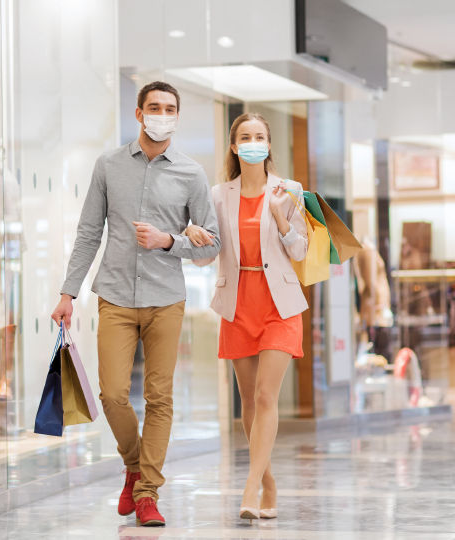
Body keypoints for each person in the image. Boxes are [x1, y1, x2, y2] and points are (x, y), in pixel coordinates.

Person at [51, 81, 221, 527]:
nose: (162, 114)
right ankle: (133, 465)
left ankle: (147, 493)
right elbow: (90, 231)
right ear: (139, 113)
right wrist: (68, 292)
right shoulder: (108, 165)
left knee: (160, 398)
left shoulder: (191, 173)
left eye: (170, 109)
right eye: (155, 107)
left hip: (166, 299)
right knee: (111, 393)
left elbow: (210, 246)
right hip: (116, 297)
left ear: (176, 117)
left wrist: (170, 241)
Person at [186, 112, 308, 522]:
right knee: (249, 403)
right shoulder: (219, 195)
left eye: (260, 136)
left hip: (279, 305)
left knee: (265, 397)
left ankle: (250, 486)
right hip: (238, 303)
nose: (253, 142)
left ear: (269, 145)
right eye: (245, 137)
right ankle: (268, 481)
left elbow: (300, 251)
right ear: (235, 147)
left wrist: (278, 216)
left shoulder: (290, 190)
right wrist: (194, 237)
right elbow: (206, 258)